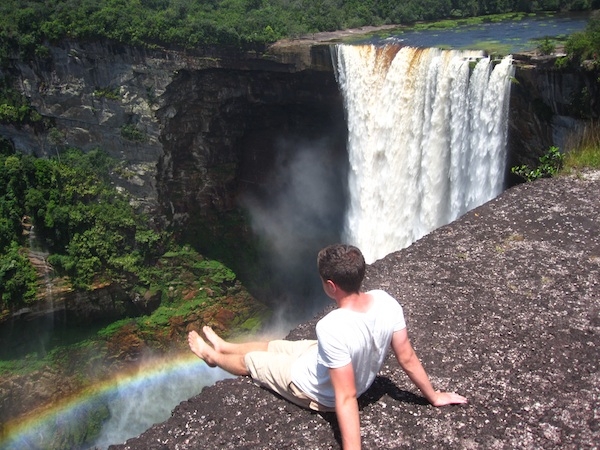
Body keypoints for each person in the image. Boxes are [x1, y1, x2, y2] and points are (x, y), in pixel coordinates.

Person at [188, 243, 467, 449]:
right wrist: (434, 396)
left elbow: (345, 398)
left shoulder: (332, 327)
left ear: (331, 286)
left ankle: (213, 357)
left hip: (313, 388)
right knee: (275, 345)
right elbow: (407, 356)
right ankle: (225, 345)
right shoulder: (386, 300)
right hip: (323, 360)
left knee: (252, 362)